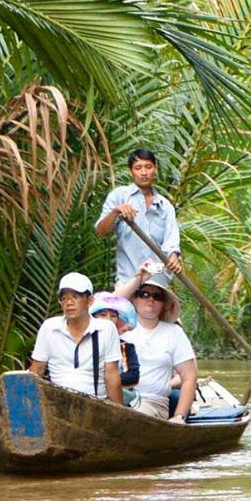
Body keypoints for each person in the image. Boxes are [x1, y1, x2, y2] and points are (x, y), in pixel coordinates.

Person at [115, 264, 197, 422]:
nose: (150, 300)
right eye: (143, 294)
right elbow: (100, 305)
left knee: (130, 417)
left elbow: (190, 376)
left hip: (152, 404)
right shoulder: (119, 328)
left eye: (157, 296)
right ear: (134, 298)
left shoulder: (174, 333)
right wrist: (138, 279)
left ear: (164, 304)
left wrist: (179, 416)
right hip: (116, 400)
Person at [95, 148, 184, 286]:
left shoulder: (166, 207)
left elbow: (171, 240)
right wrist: (116, 212)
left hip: (157, 285)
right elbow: (101, 231)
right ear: (131, 172)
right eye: (138, 168)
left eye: (148, 167)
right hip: (128, 282)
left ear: (155, 169)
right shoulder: (120, 196)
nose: (144, 173)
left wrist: (174, 257)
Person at [29, 272, 122, 401]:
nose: (69, 303)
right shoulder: (50, 327)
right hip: (56, 402)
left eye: (75, 296)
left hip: (96, 404)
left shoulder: (105, 329)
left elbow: (112, 375)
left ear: (89, 300)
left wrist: (119, 415)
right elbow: (37, 370)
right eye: (64, 298)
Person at [91, 294, 142, 402]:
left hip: (115, 398)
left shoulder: (125, 347)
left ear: (118, 320)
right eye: (103, 314)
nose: (108, 319)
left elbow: (133, 375)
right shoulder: (83, 342)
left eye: (113, 316)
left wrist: (106, 379)